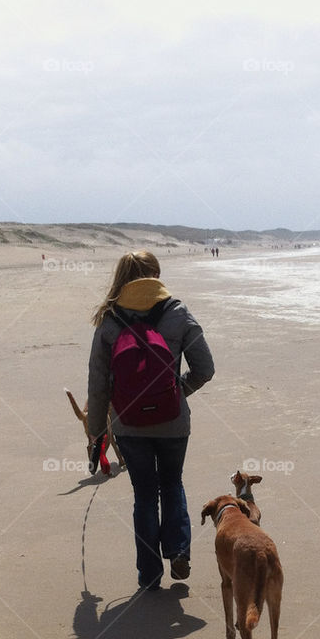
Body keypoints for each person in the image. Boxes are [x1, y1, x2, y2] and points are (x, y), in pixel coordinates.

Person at [86, 250, 215, 590]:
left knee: (144, 494)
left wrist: (96, 433)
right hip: (173, 422)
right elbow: (206, 369)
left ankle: (149, 574)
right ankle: (179, 551)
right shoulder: (178, 312)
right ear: (156, 274)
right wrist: (174, 393)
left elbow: (97, 386)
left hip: (128, 425)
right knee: (172, 484)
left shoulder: (110, 321)